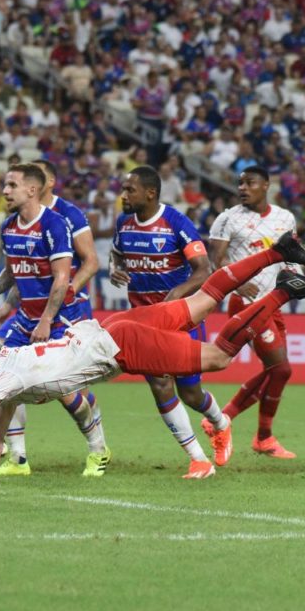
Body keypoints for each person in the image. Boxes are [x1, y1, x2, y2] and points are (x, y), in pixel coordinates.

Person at [0, 232, 305, 499]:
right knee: (203, 303)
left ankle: (281, 291)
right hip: (110, 327)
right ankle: (279, 251)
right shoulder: (7, 368)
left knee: (219, 357)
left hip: (120, 345)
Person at [0, 163, 109, 477]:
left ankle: (99, 450)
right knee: (1, 379)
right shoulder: (8, 227)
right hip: (25, 318)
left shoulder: (56, 224)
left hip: (58, 320)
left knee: (62, 390)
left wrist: (46, 320)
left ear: (32, 189)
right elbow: (13, 273)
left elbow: (61, 279)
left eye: (11, 185)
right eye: (5, 185)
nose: (4, 191)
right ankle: (18, 459)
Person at [109, 166, 228, 478]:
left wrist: (175, 295)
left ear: (150, 193)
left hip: (180, 318)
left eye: (129, 190)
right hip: (143, 323)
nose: (124, 196)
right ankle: (199, 460)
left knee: (191, 394)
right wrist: (114, 268)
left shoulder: (175, 222)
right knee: (160, 385)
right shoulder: (123, 222)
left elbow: (204, 269)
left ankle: (220, 423)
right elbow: (117, 254)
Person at [208, 166, 305, 460]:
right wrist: (239, 282)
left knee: (277, 371)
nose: (243, 188)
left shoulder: (284, 218)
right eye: (240, 183)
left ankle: (256, 434)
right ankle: (235, 424)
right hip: (246, 304)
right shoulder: (227, 219)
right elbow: (213, 264)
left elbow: (290, 260)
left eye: (250, 183)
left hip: (273, 303)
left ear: (266, 186)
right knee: (281, 369)